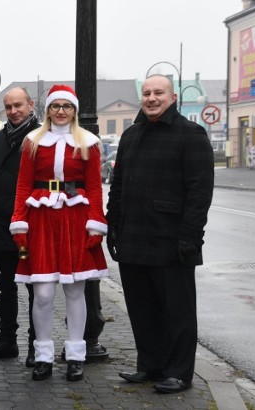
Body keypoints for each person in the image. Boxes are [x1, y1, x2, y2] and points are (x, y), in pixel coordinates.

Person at [106, 74, 214, 394]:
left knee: (177, 312)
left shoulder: (191, 134)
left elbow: (199, 192)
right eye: (147, 93)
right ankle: (150, 366)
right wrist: (113, 227)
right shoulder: (131, 135)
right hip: (134, 238)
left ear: (173, 97)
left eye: (159, 93)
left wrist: (190, 236)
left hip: (172, 241)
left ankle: (179, 372)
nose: (152, 98)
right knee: (142, 308)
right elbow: (118, 186)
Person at [10, 85, 108, 382]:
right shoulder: (32, 141)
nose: (61, 111)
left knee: (76, 291)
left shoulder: (88, 142)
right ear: (47, 110)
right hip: (40, 219)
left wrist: (96, 223)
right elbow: (23, 186)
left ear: (74, 111)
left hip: (75, 219)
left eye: (67, 106)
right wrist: (18, 221)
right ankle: (43, 356)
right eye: (56, 106)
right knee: (42, 293)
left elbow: (93, 187)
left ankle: (76, 356)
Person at [0, 87, 39, 367]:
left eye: (18, 106)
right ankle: (7, 341)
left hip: (33, 228)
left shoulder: (42, 136)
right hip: (3, 225)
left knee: (37, 288)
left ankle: (38, 345)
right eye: (9, 107)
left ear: (30, 105)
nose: (13, 111)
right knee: (6, 285)